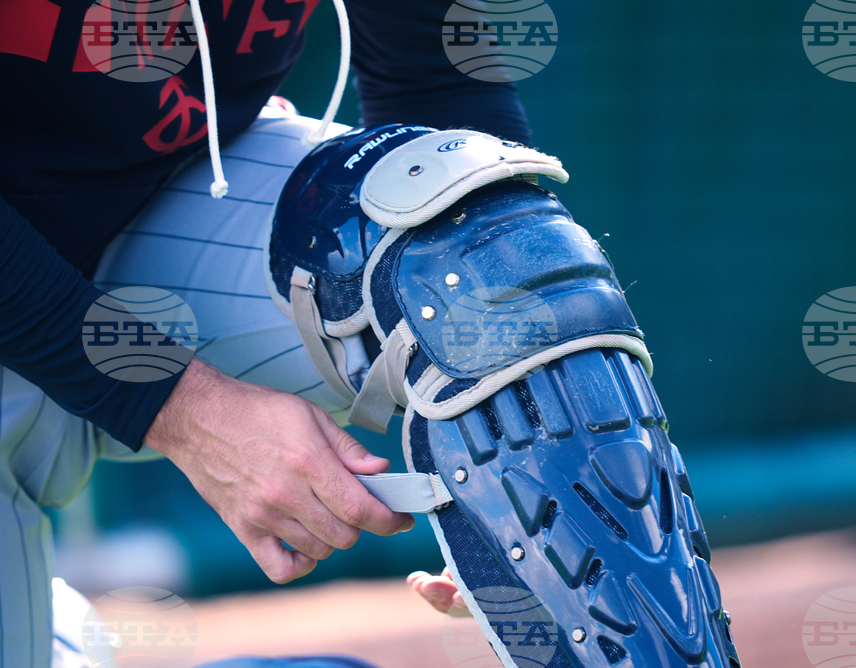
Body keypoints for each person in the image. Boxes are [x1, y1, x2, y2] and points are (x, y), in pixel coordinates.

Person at [0, 0, 531, 665]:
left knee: (491, 247)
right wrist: (185, 410)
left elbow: (437, 80)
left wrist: (518, 477)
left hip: (170, 203)